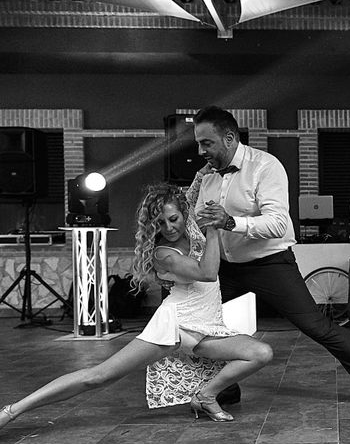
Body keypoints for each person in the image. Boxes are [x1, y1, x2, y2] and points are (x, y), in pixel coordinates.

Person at [186, 105, 350, 416]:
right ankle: (225, 386)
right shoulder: (207, 176)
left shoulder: (265, 166)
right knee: (190, 318)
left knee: (318, 327)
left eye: (206, 143)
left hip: (269, 263)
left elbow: (278, 223)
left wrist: (231, 222)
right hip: (225, 266)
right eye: (198, 143)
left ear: (230, 138)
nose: (200, 150)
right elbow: (200, 218)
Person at [0, 183, 273, 430]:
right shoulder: (163, 253)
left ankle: (205, 395)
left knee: (260, 352)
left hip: (206, 326)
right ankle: (11, 411)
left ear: (184, 214)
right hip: (177, 326)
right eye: (161, 223)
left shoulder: (190, 231)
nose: (169, 227)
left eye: (173, 219)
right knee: (98, 376)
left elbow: (196, 186)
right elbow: (207, 272)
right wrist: (213, 228)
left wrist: (206, 194)